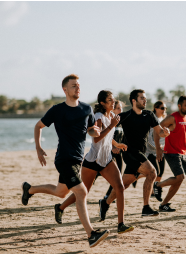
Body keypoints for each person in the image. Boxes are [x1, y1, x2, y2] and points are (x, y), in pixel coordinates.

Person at [21, 74, 109, 248]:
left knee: (61, 192)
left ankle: (29, 189)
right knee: (82, 192)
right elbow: (38, 126)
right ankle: (91, 234)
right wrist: (38, 148)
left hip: (77, 160)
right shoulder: (57, 110)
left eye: (78, 85)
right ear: (65, 89)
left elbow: (91, 130)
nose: (78, 88)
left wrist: (95, 131)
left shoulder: (86, 109)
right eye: (74, 85)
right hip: (63, 159)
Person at [54, 91, 135, 234]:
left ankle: (121, 224)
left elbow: (108, 137)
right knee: (83, 192)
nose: (113, 102)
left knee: (120, 187)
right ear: (103, 103)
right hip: (92, 161)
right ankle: (60, 208)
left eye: (113, 99)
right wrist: (112, 126)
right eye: (109, 100)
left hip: (107, 160)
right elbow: (97, 139)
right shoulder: (98, 117)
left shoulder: (112, 117)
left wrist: (117, 144)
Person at [99, 89, 170, 220]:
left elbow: (159, 131)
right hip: (130, 153)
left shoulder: (149, 115)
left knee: (123, 185)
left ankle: (105, 202)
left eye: (145, 98)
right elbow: (108, 130)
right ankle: (146, 207)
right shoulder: (125, 116)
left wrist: (165, 133)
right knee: (152, 172)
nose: (145, 100)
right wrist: (114, 145)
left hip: (140, 153)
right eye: (142, 98)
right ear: (134, 100)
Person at [152, 95, 186, 212]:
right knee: (180, 177)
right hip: (171, 152)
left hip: (183, 154)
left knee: (179, 180)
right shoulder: (172, 118)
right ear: (179, 106)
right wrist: (158, 148)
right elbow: (156, 131)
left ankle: (164, 205)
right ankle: (158, 185)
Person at [102, 100, 125, 200]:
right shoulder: (110, 122)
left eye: (121, 108)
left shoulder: (121, 122)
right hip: (108, 152)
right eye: (118, 108)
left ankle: (108, 195)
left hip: (118, 153)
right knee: (97, 173)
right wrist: (113, 147)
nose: (121, 110)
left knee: (118, 175)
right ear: (113, 110)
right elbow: (105, 136)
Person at [145, 101, 167, 201]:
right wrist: (156, 148)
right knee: (155, 171)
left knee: (161, 172)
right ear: (156, 108)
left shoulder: (164, 119)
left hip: (162, 150)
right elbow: (149, 137)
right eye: (162, 108)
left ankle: (155, 189)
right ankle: (155, 189)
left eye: (165, 108)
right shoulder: (153, 119)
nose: (164, 110)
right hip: (152, 150)